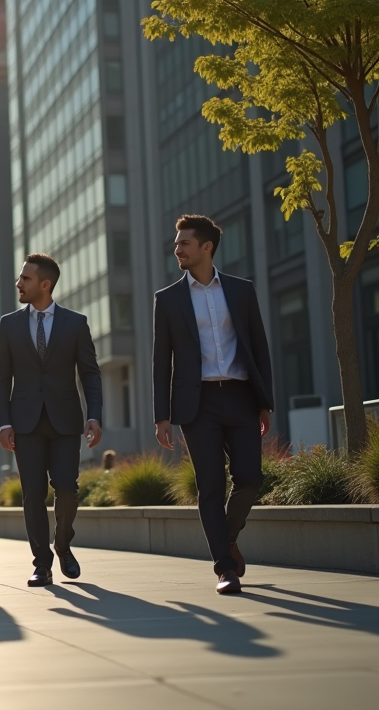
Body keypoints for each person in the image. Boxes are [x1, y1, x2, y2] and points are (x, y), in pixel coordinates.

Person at [152, 215, 274, 595]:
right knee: (210, 486)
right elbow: (161, 361)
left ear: (206, 247)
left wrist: (264, 403)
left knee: (251, 479)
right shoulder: (168, 299)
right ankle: (224, 568)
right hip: (197, 403)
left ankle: (227, 535)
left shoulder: (240, 290)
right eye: (176, 244)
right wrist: (162, 416)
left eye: (184, 243)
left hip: (239, 396)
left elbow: (258, 347)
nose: (177, 249)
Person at [0, 253, 103, 588]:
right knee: (33, 494)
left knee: (67, 490)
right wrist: (4, 422)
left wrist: (95, 415)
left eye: (25, 279)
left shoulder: (75, 323)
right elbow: (1, 377)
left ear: (45, 284)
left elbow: (90, 373)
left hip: (66, 421)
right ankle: (41, 564)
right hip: (25, 423)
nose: (18, 284)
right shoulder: (9, 324)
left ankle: (63, 544)